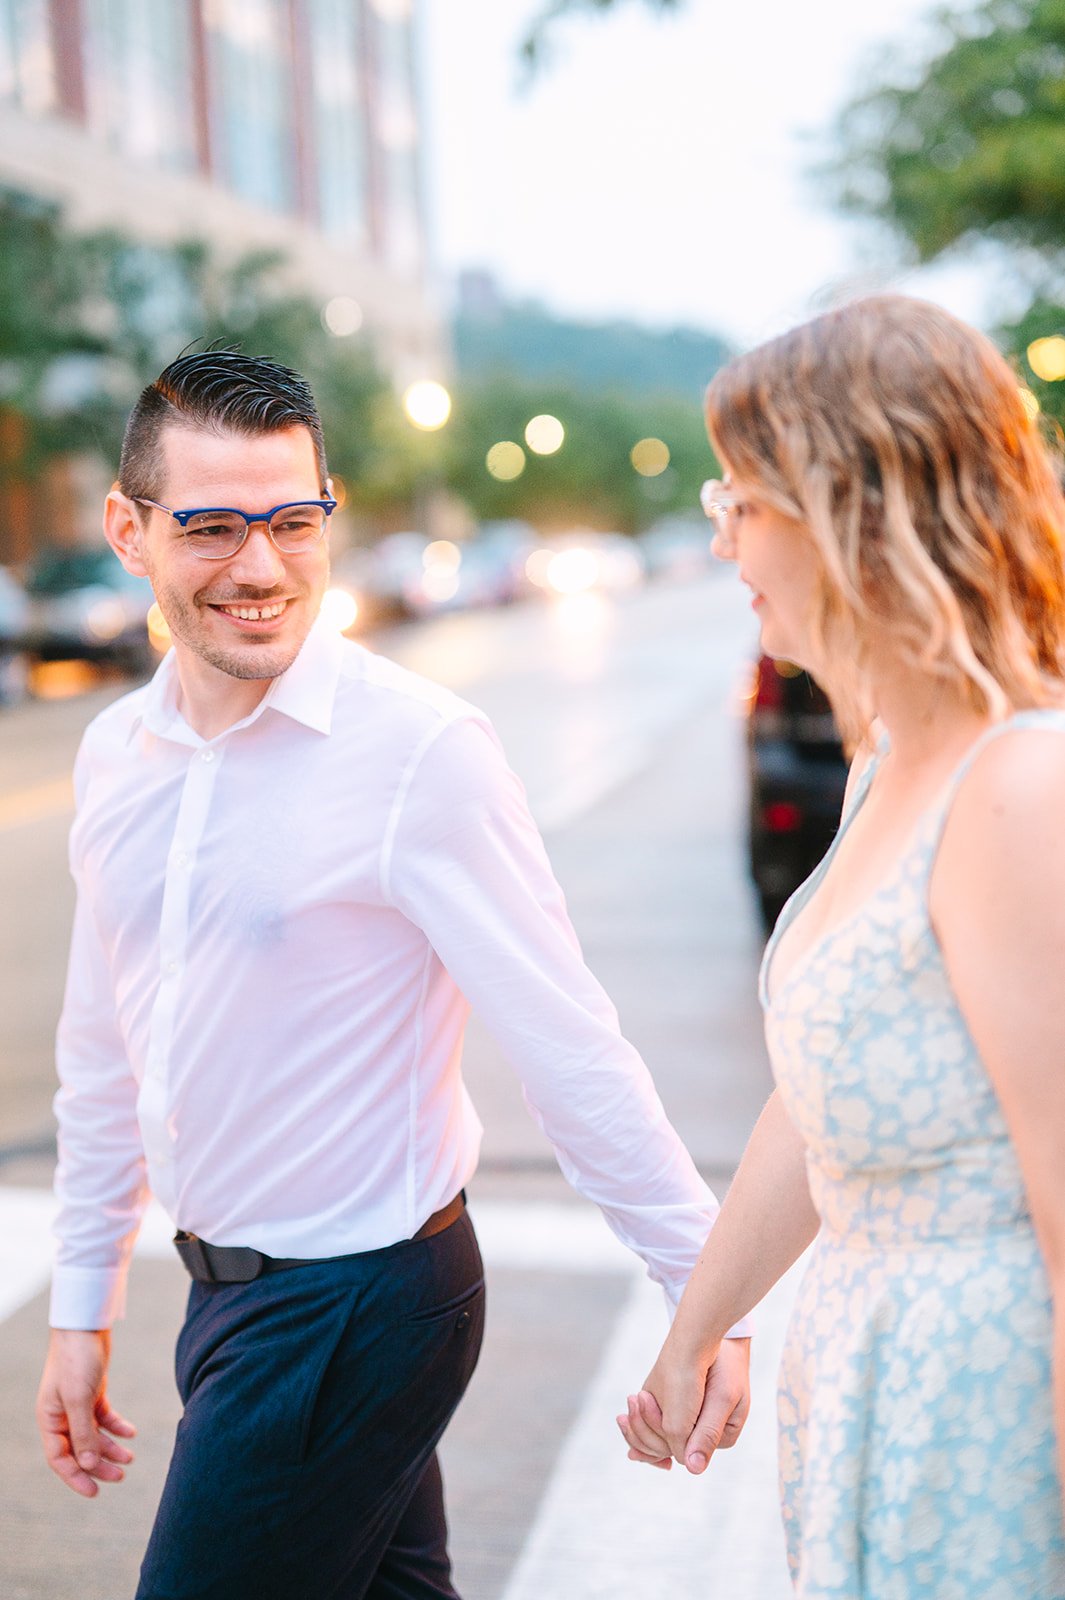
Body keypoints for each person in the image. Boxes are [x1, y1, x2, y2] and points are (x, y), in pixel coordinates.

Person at [34, 349, 752, 1600]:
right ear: (129, 530)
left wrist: (707, 1292)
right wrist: (81, 1296)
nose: (259, 567)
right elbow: (103, 1048)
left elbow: (567, 1040)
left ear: (329, 516)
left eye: (293, 522)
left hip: (362, 1302)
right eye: (209, 526)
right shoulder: (114, 755)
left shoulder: (420, 752)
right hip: (224, 1303)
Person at [617, 296, 1065, 1596]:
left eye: (739, 502)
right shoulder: (888, 767)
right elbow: (820, 1103)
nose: (722, 540)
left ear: (852, 513)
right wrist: (696, 1331)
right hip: (876, 1399)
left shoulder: (1014, 790)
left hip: (990, 1427)